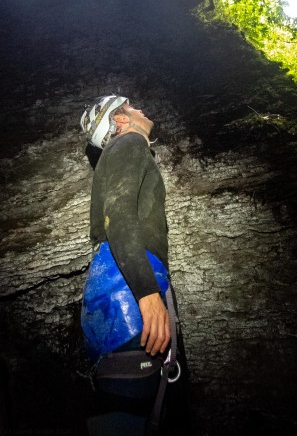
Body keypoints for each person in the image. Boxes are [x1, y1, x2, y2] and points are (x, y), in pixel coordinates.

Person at [80, 94, 192, 434]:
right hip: (128, 298)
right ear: (121, 121)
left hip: (116, 298)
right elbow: (120, 213)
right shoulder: (128, 143)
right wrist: (147, 293)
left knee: (133, 407)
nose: (141, 109)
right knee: (133, 409)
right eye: (132, 107)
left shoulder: (125, 150)